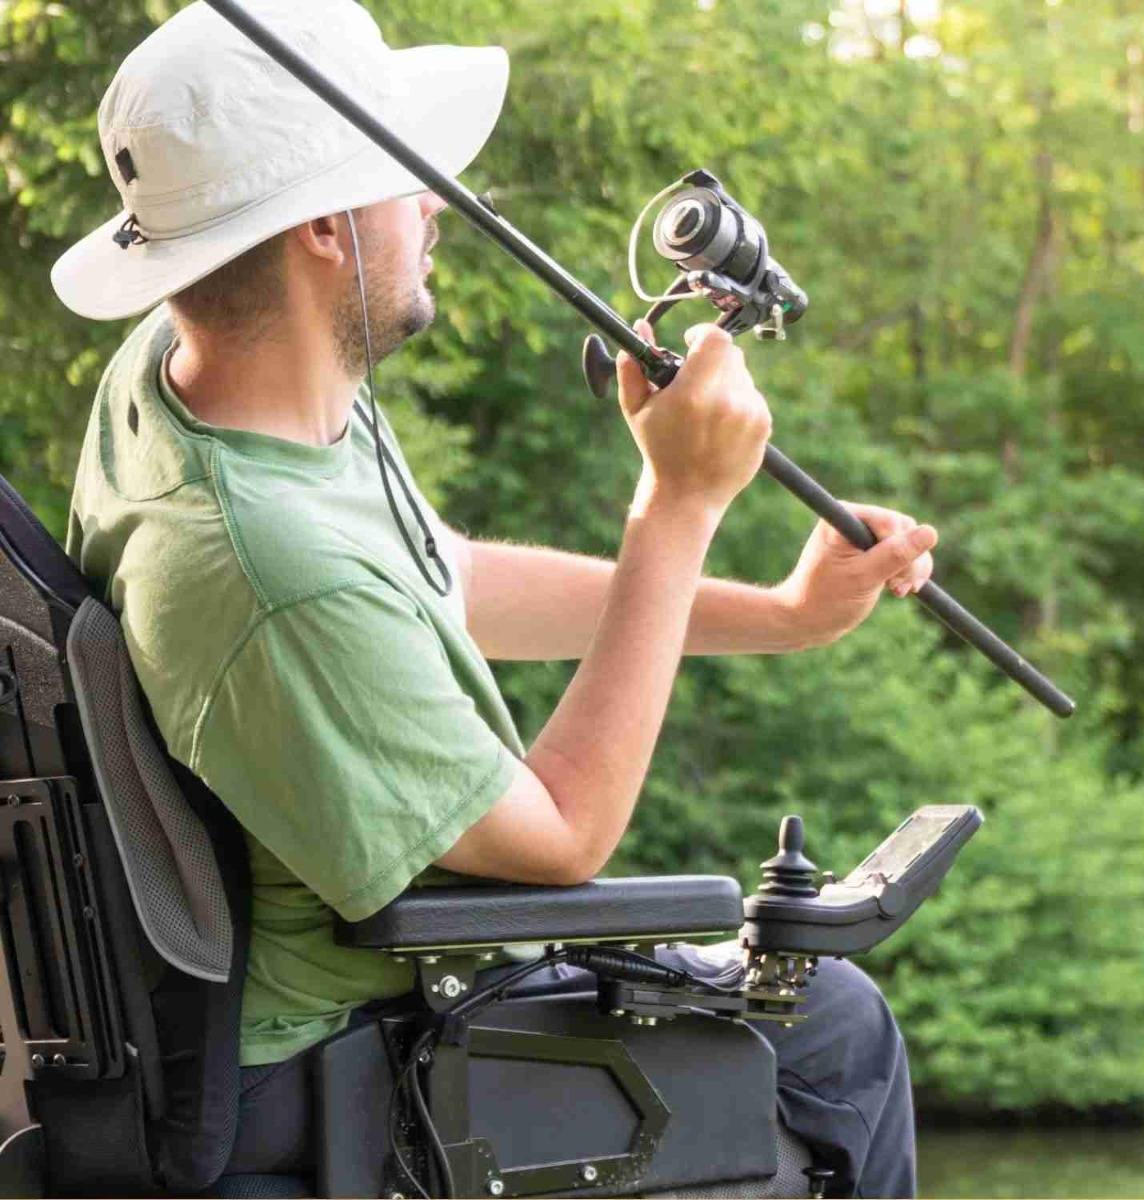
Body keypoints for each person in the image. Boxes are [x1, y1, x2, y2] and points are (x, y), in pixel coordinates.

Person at [50, 1, 936, 1195]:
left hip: (373, 1013)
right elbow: (561, 838)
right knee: (836, 1025)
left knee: (822, 1024)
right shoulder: (265, 573)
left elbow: (441, 579)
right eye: (401, 180)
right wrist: (674, 508)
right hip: (352, 1069)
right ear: (321, 233)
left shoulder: (210, 373)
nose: (435, 208)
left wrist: (778, 614)